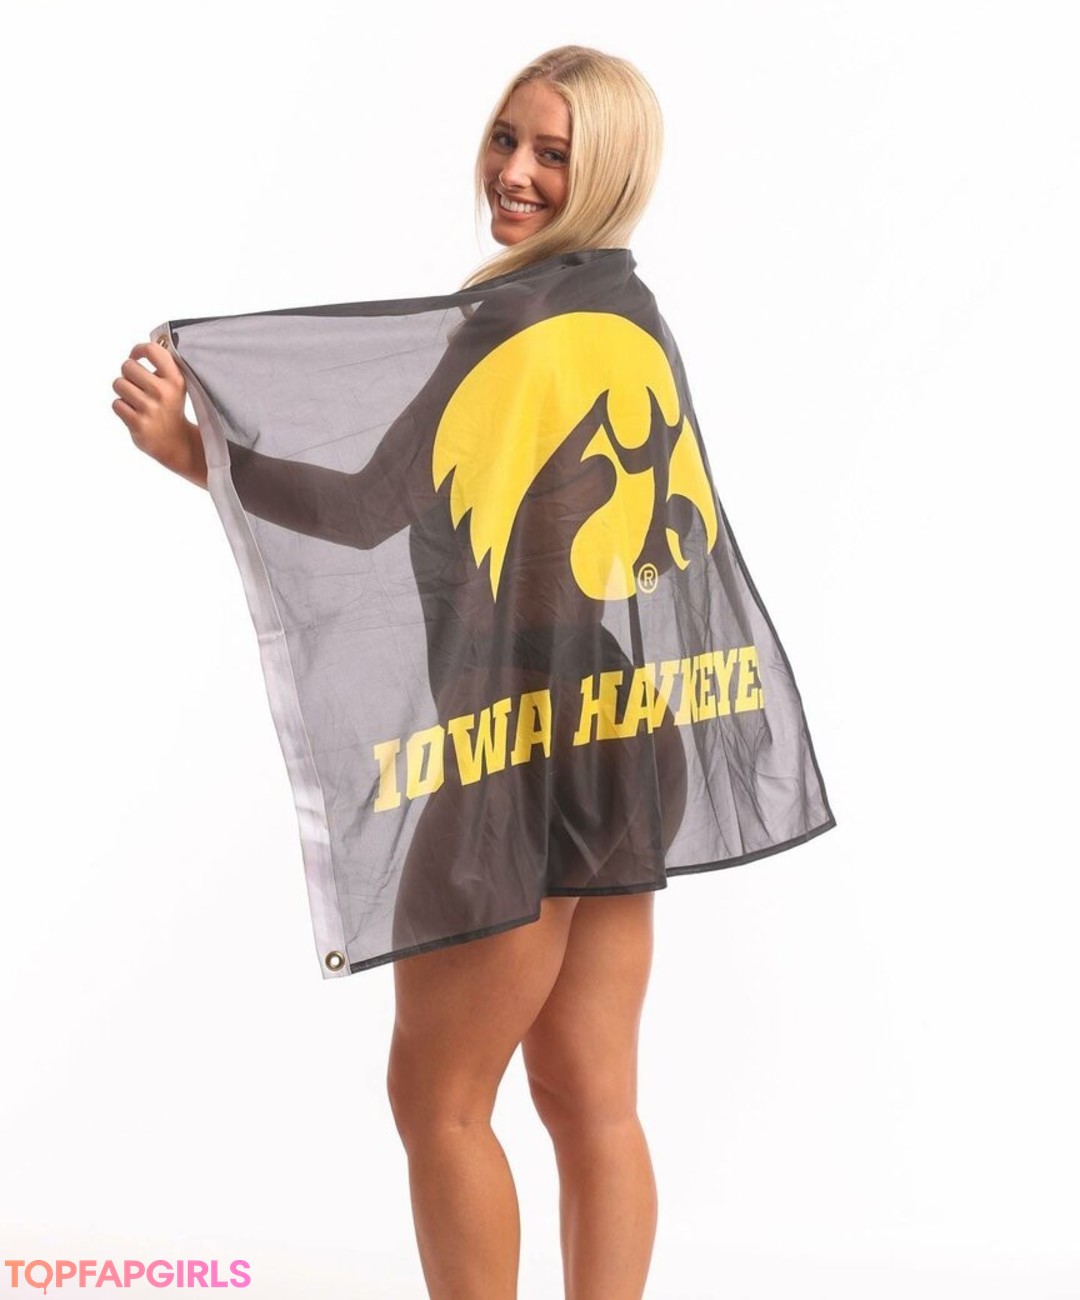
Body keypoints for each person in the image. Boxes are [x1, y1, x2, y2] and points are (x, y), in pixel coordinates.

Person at [111, 45, 828, 1300]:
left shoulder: (514, 321)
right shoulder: (625, 310)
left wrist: (202, 453)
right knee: (592, 1095)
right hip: (627, 724)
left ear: (611, 173)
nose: (514, 172)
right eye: (508, 137)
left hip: (518, 737)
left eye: (555, 153)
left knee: (438, 1098)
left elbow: (368, 510)